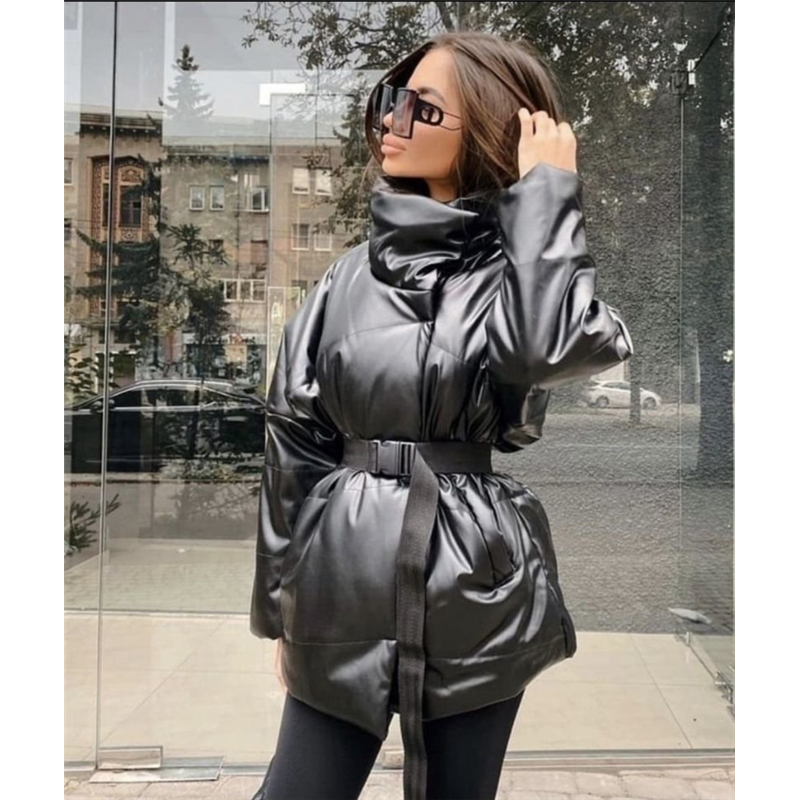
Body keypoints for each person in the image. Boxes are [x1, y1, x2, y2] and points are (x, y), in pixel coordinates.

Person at [250, 29, 634, 800]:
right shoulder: (345, 281)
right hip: (342, 577)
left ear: (488, 126)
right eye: (394, 100)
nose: (394, 120)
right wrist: (279, 612)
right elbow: (293, 438)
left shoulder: (521, 277)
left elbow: (542, 351)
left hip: (474, 583)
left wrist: (548, 197)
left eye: (423, 107)